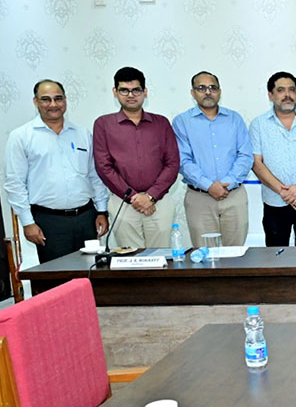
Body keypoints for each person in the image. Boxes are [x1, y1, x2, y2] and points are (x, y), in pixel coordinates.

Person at [4, 79, 109, 263]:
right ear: (36, 102)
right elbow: (15, 184)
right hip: (48, 222)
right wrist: (28, 223)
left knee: (90, 275)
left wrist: (102, 211)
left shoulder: (82, 134)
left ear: (65, 100)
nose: (53, 104)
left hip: (86, 218)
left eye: (58, 98)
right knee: (57, 280)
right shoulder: (21, 136)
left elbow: (95, 175)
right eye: (46, 99)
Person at [93, 66, 180, 249]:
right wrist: (134, 197)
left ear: (145, 92)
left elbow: (172, 163)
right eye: (124, 90)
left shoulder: (161, 123)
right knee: (130, 261)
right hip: (122, 202)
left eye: (136, 90)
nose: (130, 95)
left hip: (159, 201)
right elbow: (104, 167)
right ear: (115, 92)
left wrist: (151, 196)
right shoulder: (103, 124)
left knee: (161, 258)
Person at [172, 71, 253, 248]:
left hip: (234, 195)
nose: (208, 92)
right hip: (199, 198)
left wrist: (227, 183)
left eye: (212, 87)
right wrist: (209, 186)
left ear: (220, 91)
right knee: (205, 257)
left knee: (236, 255)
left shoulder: (234, 119)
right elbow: (183, 160)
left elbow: (245, 155)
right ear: (193, 93)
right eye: (201, 88)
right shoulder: (182, 122)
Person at [249, 71, 296, 247]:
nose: (287, 95)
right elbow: (256, 163)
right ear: (271, 95)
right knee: (276, 257)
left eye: (292, 90)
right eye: (281, 90)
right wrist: (285, 192)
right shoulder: (258, 124)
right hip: (275, 200)